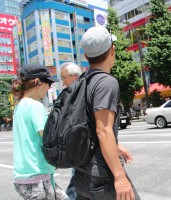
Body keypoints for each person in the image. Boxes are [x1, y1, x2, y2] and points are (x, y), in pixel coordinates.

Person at [75, 26, 139, 199]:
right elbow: (103, 130)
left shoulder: (82, 82)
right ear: (112, 50)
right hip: (102, 176)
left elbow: (88, 125)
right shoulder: (106, 82)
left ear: (87, 56)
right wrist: (120, 177)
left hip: (82, 174)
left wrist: (116, 146)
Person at [12, 64, 69, 200]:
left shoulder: (19, 106)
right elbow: (48, 137)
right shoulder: (35, 105)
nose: (50, 87)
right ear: (39, 82)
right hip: (37, 177)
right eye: (49, 83)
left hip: (26, 176)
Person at [60, 62, 82, 200]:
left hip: (82, 150)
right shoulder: (73, 94)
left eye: (64, 77)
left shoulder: (78, 94)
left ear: (74, 77)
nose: (63, 82)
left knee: (76, 185)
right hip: (78, 150)